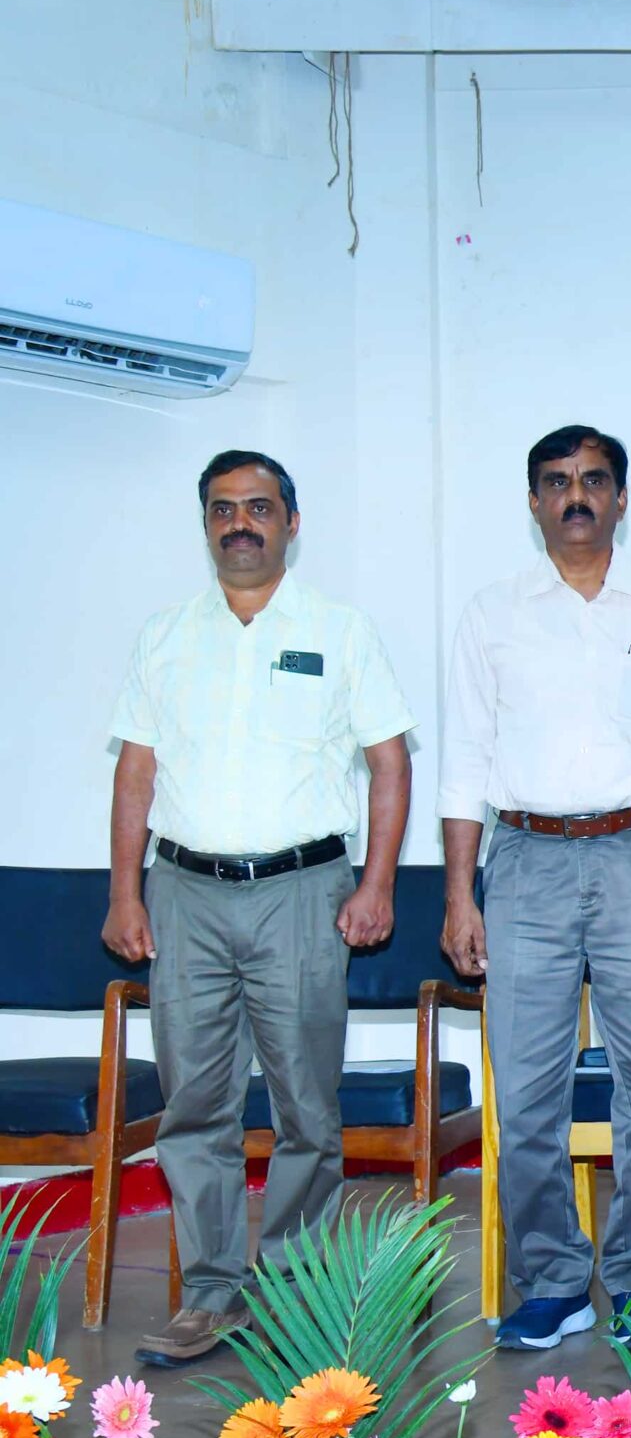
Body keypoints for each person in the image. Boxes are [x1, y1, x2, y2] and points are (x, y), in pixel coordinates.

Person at [104, 451, 414, 1367]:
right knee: (193, 1105)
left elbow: (390, 763)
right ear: (206, 523)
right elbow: (136, 774)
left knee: (305, 1106)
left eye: (259, 507)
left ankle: (289, 1294)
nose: (240, 523)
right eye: (223, 509)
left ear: (291, 521)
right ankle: (210, 1294)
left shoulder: (341, 630)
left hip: (302, 892)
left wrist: (376, 883)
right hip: (185, 894)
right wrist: (124, 891)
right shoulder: (164, 636)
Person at [439, 425, 631, 1351]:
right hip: (524, 863)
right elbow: (463, 765)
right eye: (558, 482)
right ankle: (553, 1281)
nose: (577, 496)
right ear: (533, 501)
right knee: (527, 1090)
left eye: (594, 480)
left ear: (621, 498)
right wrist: (460, 894)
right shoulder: (492, 614)